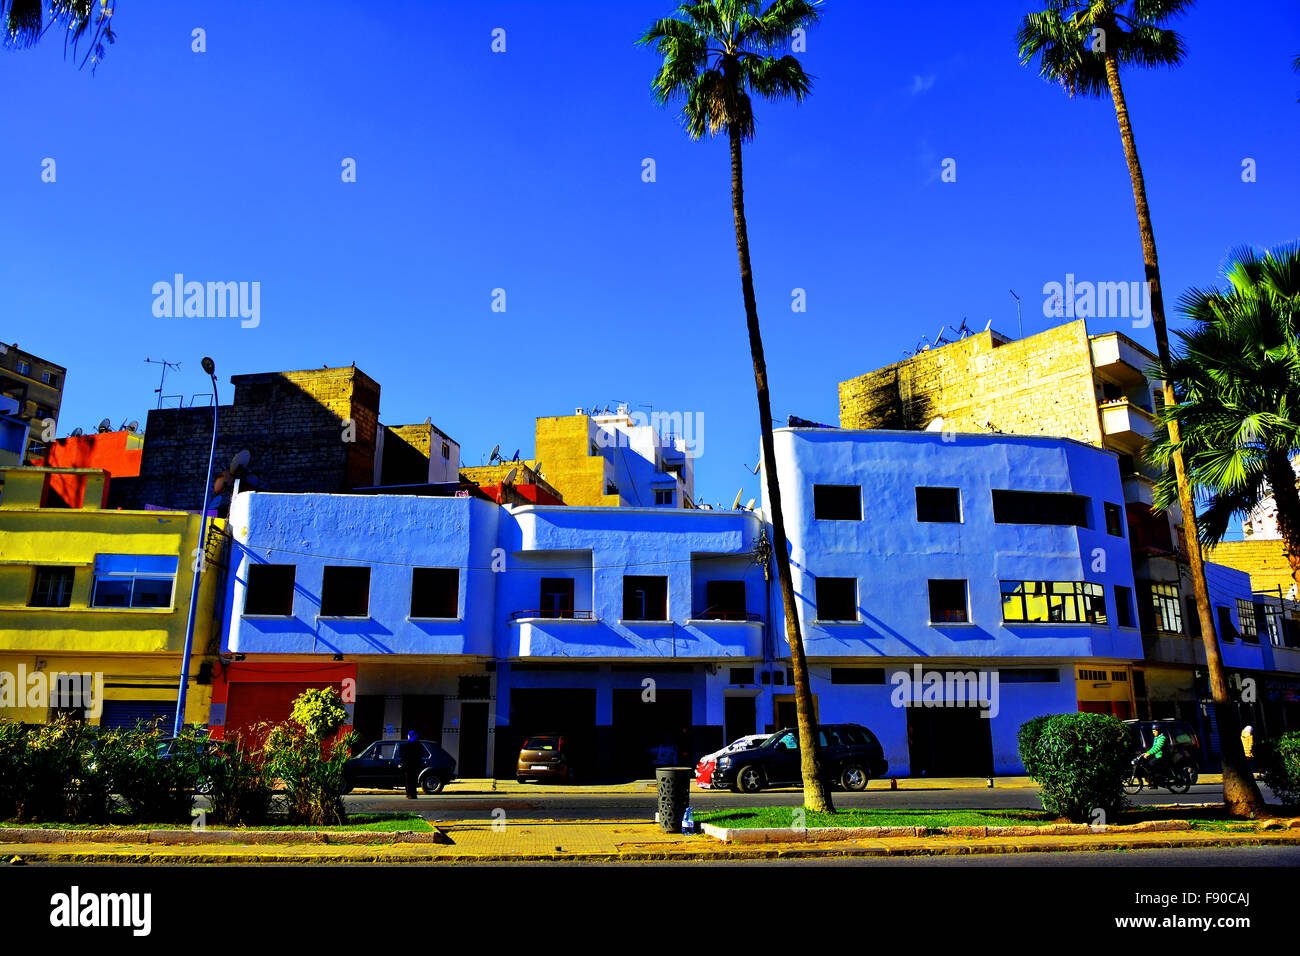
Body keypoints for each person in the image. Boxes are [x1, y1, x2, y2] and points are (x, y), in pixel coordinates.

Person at [399, 730, 423, 800]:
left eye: (408, 735)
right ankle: (414, 794)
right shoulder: (418, 744)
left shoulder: (409, 743)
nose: (407, 736)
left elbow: (405, 755)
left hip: (409, 765)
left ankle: (409, 794)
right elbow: (420, 755)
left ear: (410, 735)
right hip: (415, 765)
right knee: (413, 780)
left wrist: (401, 762)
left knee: (408, 780)